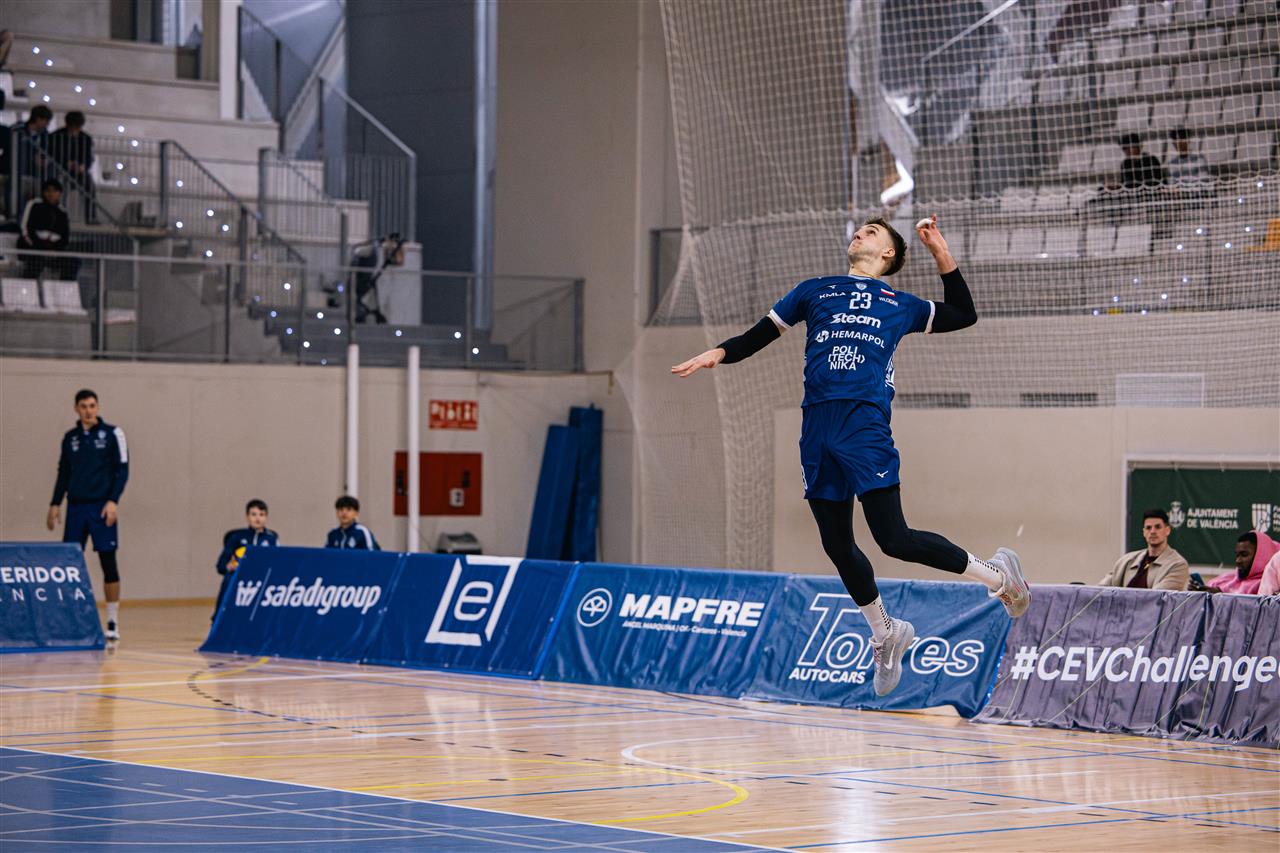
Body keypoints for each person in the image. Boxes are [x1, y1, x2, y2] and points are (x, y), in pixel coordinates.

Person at [671, 215, 1031, 697]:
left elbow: (964, 313)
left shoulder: (900, 304)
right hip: (817, 425)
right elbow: (760, 334)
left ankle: (998, 577)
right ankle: (885, 632)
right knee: (837, 544)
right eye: (859, 229)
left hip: (863, 424)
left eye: (872, 232)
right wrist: (719, 352)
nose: (860, 232)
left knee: (894, 538)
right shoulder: (814, 290)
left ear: (888, 254)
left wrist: (940, 252)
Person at [47, 389, 128, 641]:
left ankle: (112, 621)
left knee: (108, 562)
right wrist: (55, 503)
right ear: (76, 408)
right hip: (76, 508)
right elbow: (64, 472)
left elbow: (123, 470)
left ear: (98, 407)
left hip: (101, 507)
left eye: (92, 406)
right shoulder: (70, 438)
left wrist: (113, 501)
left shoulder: (114, 434)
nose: (88, 411)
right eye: (83, 406)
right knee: (69, 564)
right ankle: (69, 617)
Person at [212, 499, 279, 621]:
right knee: (228, 580)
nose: (257, 518)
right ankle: (218, 620)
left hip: (262, 580)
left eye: (261, 514)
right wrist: (229, 566)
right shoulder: (236, 537)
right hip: (240, 579)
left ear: (266, 517)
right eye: (253, 514)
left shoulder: (271, 539)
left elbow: (277, 563)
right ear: (247, 516)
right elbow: (221, 565)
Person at [1097, 508, 1189, 591]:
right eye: (1148, 528)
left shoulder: (1178, 565)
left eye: (1158, 527)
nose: (1152, 531)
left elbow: (1156, 598)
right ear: (1144, 532)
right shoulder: (1126, 560)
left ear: (1167, 530)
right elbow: (1099, 591)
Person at [19, 179, 79, 281]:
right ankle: (27, 287)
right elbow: (25, 229)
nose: (51, 194)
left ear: (59, 193)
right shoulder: (34, 204)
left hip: (54, 251)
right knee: (35, 262)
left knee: (72, 261)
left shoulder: (62, 212)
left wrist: (56, 250)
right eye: (48, 191)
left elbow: (65, 237)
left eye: (55, 191)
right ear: (43, 192)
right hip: (34, 248)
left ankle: (64, 288)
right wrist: (39, 248)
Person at [48, 111, 96, 221]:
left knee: (90, 187)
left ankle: (91, 217)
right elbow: (53, 153)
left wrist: (83, 166)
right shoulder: (56, 136)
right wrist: (65, 163)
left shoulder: (86, 138)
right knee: (58, 190)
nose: (74, 130)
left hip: (79, 172)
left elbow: (88, 156)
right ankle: (56, 216)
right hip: (60, 170)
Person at [1208, 531, 1278, 595]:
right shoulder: (1230, 579)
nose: (1238, 561)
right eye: (1237, 555)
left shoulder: (1269, 585)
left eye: (1244, 555)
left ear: (1261, 556)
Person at [1165, 127, 1211, 192]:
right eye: (1176, 141)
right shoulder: (1172, 164)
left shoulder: (1198, 159)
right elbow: (1172, 185)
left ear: (1188, 140)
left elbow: (1204, 182)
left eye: (1182, 140)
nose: (1179, 144)